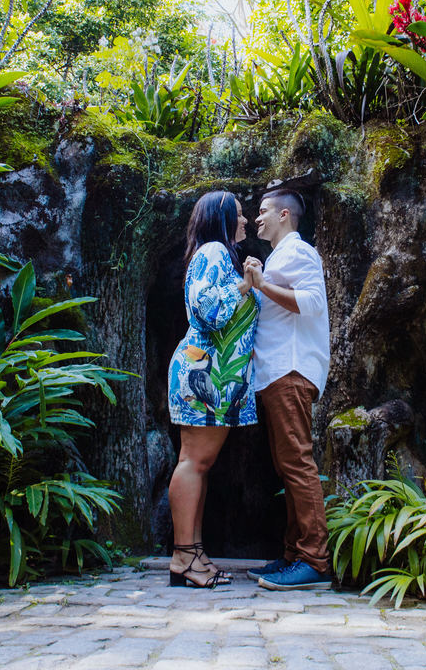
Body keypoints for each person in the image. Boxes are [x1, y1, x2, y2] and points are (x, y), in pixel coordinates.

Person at [166, 190, 262, 588]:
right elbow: (208, 310)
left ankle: (194, 552)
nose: (245, 221)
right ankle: (183, 556)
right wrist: (244, 285)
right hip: (204, 372)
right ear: (222, 220)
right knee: (193, 461)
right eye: (239, 216)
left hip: (216, 376)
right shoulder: (212, 252)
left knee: (199, 463)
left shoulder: (221, 256)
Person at [243, 189, 333, 591]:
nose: (256, 219)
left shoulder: (300, 252)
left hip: (291, 369)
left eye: (262, 212)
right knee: (288, 466)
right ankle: (294, 555)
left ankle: (314, 560)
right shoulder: (281, 257)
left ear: (284, 214)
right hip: (276, 373)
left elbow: (312, 303)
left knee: (297, 462)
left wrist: (261, 283)